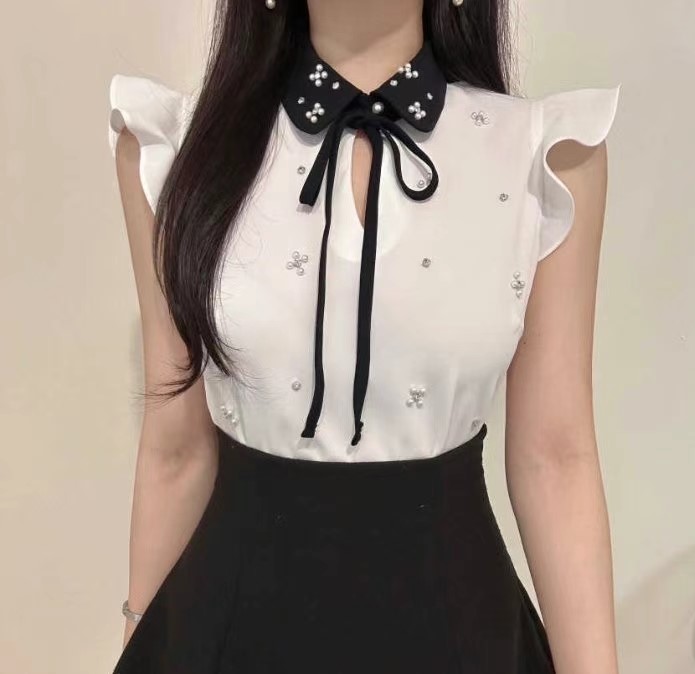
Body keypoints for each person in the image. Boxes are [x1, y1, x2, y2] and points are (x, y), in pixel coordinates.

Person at [107, 0, 621, 671]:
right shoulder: (175, 149)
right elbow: (175, 450)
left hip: (459, 639)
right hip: (231, 636)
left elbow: (555, 458)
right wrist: (137, 637)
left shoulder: (541, 154)